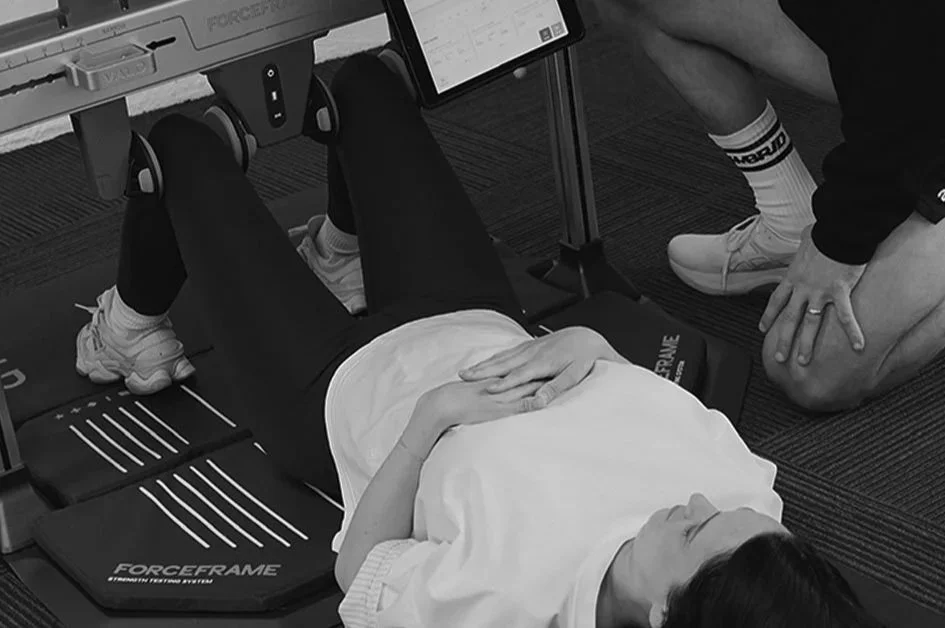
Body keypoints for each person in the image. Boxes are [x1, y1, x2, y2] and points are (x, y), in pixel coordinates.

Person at [73, 52, 880, 627]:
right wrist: (593, 350)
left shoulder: (509, 602)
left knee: (178, 148)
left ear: (667, 614)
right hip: (474, 321)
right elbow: (652, 411)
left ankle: (130, 330)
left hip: (342, 392)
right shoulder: (746, 514)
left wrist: (427, 425)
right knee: (364, 84)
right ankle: (341, 255)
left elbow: (361, 577)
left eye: (695, 527)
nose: (701, 502)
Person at [589, 0, 945, 412]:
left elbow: (916, 93)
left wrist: (839, 242)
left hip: (928, 86)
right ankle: (787, 221)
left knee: (809, 373)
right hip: (896, 50)